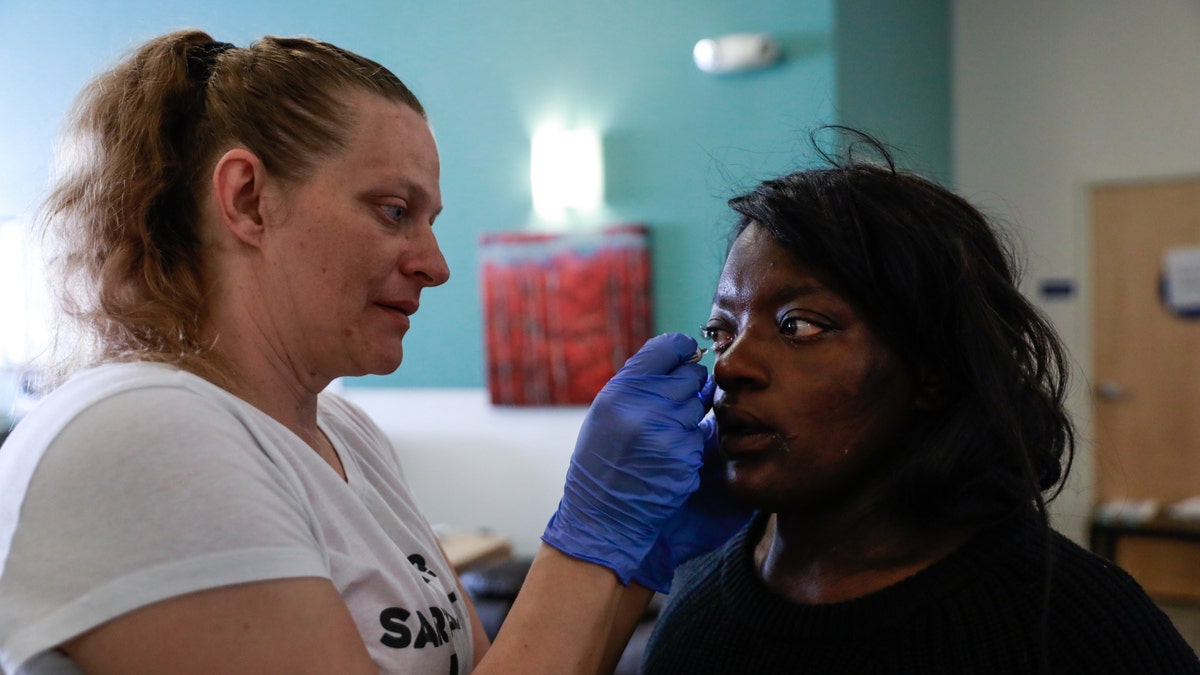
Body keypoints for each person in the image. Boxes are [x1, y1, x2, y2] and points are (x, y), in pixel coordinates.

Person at [0, 30, 742, 674]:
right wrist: (594, 530)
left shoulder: (344, 435)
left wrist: (632, 556)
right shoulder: (145, 435)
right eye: (394, 211)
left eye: (429, 219)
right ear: (249, 198)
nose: (435, 262)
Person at [642, 129, 1200, 674]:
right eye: (721, 331)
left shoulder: (1077, 625)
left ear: (933, 368)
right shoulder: (696, 591)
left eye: (800, 326)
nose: (732, 365)